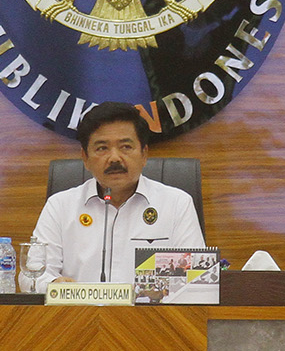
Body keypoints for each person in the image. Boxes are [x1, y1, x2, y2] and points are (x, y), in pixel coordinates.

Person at [31, 101, 205, 288]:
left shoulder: (176, 204)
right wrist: (55, 284)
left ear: (144, 154)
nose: (114, 158)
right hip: (79, 315)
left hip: (150, 316)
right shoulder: (60, 206)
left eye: (126, 147)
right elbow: (32, 274)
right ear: (85, 159)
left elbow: (195, 277)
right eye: (102, 148)